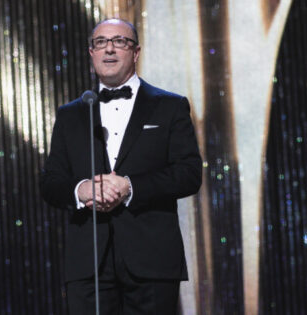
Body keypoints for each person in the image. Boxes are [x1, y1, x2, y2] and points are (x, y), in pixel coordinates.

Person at [40, 18, 202, 315]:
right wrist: (82, 190)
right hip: (89, 263)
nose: (110, 49)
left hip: (152, 260)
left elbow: (189, 174)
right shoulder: (71, 114)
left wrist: (130, 187)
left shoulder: (169, 106)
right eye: (101, 42)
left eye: (120, 42)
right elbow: (51, 181)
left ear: (136, 52)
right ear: (91, 52)